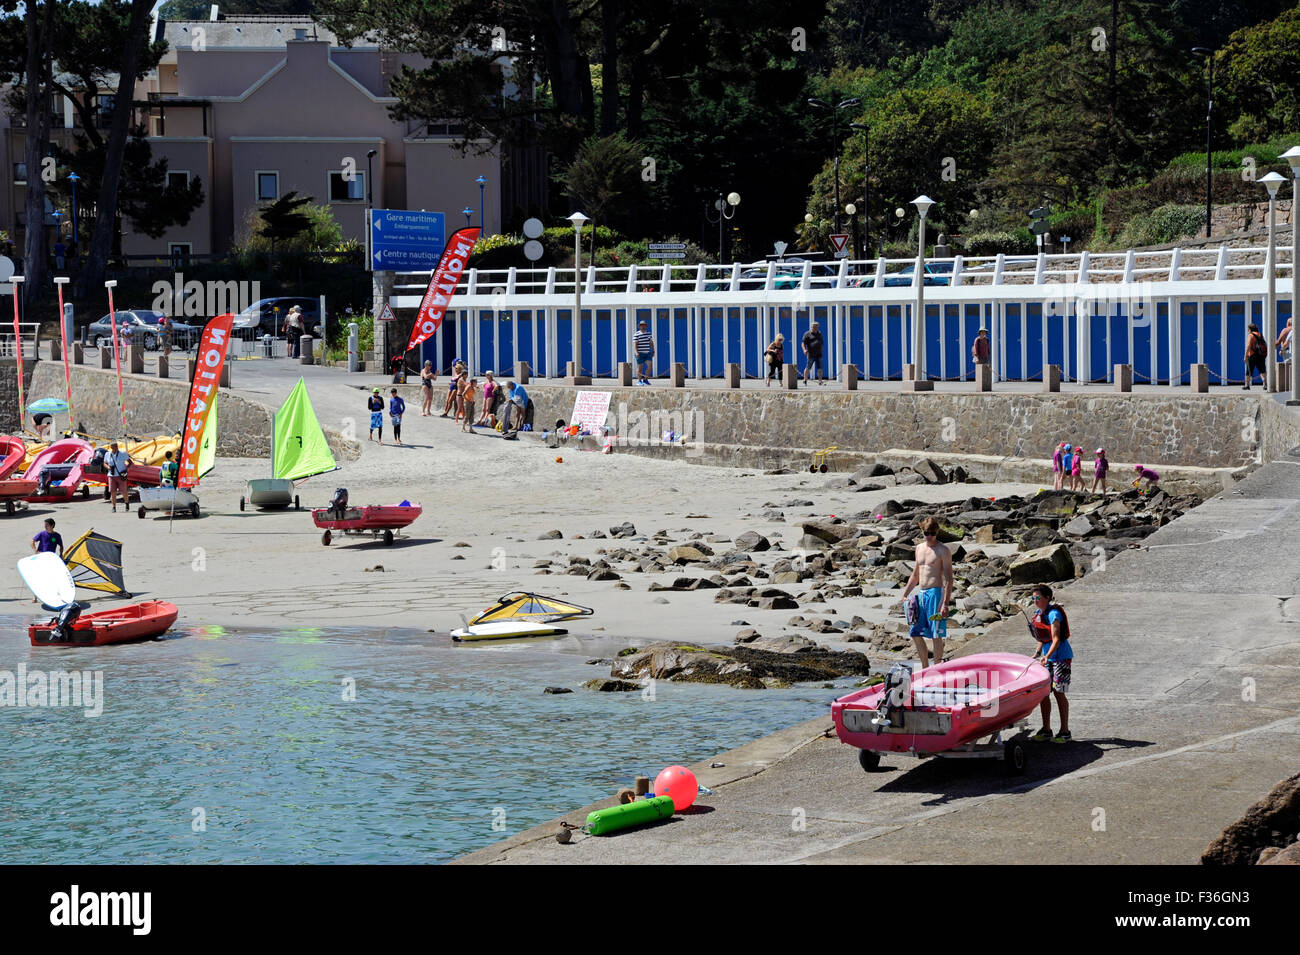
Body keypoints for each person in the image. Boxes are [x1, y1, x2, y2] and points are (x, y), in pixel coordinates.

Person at [901, 516, 953, 669]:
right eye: (926, 533)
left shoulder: (943, 550)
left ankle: (937, 667)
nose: (929, 536)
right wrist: (905, 594)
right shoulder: (919, 548)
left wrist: (945, 604)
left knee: (936, 633)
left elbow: (949, 579)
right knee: (915, 632)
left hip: (936, 594)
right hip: (921, 595)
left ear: (937, 532)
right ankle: (925, 667)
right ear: (922, 532)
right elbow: (915, 574)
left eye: (932, 533)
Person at [1028, 583, 1073, 743]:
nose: (1035, 601)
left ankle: (1064, 731)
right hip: (1048, 657)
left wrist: (1047, 656)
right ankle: (1046, 729)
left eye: (1038, 598)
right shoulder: (1038, 613)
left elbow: (1056, 639)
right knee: (1043, 693)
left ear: (1047, 597)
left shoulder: (1054, 614)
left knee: (1059, 692)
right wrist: (1037, 653)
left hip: (1061, 658)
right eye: (1033, 598)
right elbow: (1043, 637)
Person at [105, 440, 133, 513]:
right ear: (111, 447)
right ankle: (114, 507)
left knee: (124, 491)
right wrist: (108, 467)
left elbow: (130, 462)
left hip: (121, 475)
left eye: (116, 446)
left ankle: (127, 503)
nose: (116, 448)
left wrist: (126, 470)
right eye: (114, 447)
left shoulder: (122, 454)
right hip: (111, 475)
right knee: (113, 492)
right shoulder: (107, 454)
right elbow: (104, 463)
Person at [1244, 322, 1267, 390]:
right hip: (1260, 355)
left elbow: (1248, 346)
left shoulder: (1251, 335)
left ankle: (1247, 385)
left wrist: (1245, 356)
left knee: (1249, 371)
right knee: (1262, 370)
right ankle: (1265, 383)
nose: (1248, 331)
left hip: (1252, 355)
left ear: (1250, 329)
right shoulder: (1260, 335)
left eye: (1248, 329)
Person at [633, 321, 654, 385]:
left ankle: (645, 379)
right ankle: (639, 381)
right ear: (639, 326)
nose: (643, 326)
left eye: (644, 325)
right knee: (640, 367)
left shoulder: (648, 334)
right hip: (640, 353)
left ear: (646, 326)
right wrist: (637, 352)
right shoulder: (636, 334)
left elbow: (651, 343)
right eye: (641, 325)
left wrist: (653, 351)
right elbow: (635, 344)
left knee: (650, 366)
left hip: (647, 353)